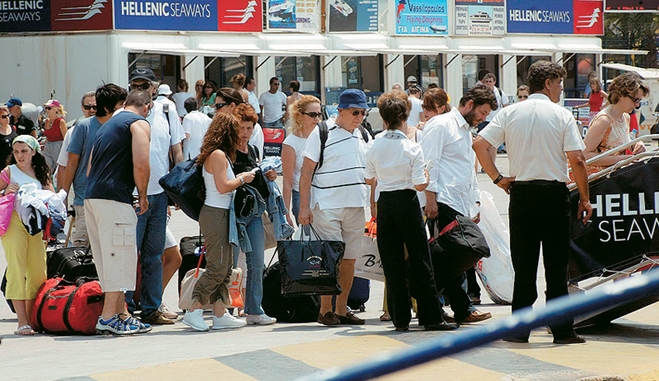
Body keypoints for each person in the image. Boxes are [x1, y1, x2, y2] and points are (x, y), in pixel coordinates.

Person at [473, 60, 592, 344]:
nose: (561, 89)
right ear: (548, 83)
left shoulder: (510, 112)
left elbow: (480, 144)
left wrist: (498, 178)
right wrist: (585, 198)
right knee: (556, 267)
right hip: (553, 195)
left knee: (524, 267)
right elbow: (576, 159)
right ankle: (561, 329)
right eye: (559, 83)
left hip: (522, 194)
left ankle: (519, 330)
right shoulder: (561, 115)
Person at [365, 91, 457, 332]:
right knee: (420, 259)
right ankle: (430, 317)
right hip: (407, 202)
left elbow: (367, 177)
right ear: (405, 116)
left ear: (383, 118)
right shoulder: (412, 147)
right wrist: (426, 175)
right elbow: (419, 184)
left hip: (385, 202)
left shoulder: (374, 143)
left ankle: (399, 318)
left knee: (391, 261)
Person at [421, 84, 495, 325]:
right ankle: (455, 306)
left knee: (456, 257)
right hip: (443, 200)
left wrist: (474, 203)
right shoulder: (441, 125)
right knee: (456, 254)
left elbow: (467, 169)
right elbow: (429, 163)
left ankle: (456, 307)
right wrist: (430, 199)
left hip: (460, 202)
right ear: (470, 104)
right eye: (482, 112)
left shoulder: (465, 129)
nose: (483, 118)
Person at [298, 89, 371, 326]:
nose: (359, 117)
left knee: (350, 259)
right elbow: (306, 172)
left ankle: (342, 309)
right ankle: (325, 310)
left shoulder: (363, 135)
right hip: (327, 205)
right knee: (329, 259)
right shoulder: (322, 132)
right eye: (354, 112)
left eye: (363, 112)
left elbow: (371, 173)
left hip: (356, 204)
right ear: (340, 111)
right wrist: (304, 208)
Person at [85, 90, 152, 335]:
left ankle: (122, 314)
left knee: (107, 260)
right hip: (115, 198)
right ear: (146, 106)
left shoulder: (107, 125)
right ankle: (107, 319)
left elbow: (90, 167)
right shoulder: (139, 123)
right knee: (120, 260)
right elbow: (141, 163)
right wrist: (143, 195)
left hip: (93, 197)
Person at [181, 113, 254, 332]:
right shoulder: (218, 155)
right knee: (217, 267)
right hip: (216, 213)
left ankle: (220, 313)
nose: (241, 135)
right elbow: (223, 187)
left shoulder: (216, 154)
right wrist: (244, 178)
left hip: (221, 213)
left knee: (225, 267)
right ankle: (193, 309)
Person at [126, 68, 184, 326]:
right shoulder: (125, 113)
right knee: (129, 254)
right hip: (133, 194)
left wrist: (179, 189)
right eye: (135, 83)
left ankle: (151, 307)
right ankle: (124, 308)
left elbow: (176, 150)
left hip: (159, 193)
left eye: (145, 84)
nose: (140, 88)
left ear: (154, 87)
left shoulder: (166, 110)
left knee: (153, 255)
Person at [60, 84, 128, 247]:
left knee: (108, 247)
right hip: (84, 198)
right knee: (81, 246)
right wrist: (63, 195)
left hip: (114, 199)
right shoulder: (83, 127)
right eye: (121, 104)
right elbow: (71, 163)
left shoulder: (123, 127)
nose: (125, 108)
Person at [0, 135, 54, 335]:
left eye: (24, 151)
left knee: (38, 269)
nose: (20, 156)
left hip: (36, 224)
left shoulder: (41, 172)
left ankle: (34, 319)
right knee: (16, 267)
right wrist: (5, 192)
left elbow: (52, 196)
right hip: (13, 221)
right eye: (16, 152)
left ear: (33, 151)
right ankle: (22, 322)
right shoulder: (8, 172)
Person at [230, 103, 278, 325]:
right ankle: (228, 307)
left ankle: (254, 310)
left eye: (250, 128)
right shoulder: (227, 150)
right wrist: (242, 176)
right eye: (242, 127)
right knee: (230, 263)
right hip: (232, 212)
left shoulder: (253, 150)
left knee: (257, 262)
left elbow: (257, 182)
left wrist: (267, 176)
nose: (246, 133)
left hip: (254, 212)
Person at [581, 72, 648, 173]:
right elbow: (585, 155)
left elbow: (624, 140)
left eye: (639, 101)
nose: (637, 105)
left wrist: (636, 144)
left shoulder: (625, 117)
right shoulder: (604, 120)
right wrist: (623, 159)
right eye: (635, 100)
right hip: (597, 181)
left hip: (612, 178)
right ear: (621, 95)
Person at [282, 95, 321, 226]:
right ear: (299, 115)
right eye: (312, 114)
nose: (316, 119)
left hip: (323, 194)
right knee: (308, 241)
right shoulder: (291, 143)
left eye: (319, 114)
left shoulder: (324, 137)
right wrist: (286, 213)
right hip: (301, 196)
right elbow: (287, 182)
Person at [42, 99, 68, 175]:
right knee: (46, 168)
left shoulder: (60, 121)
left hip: (58, 145)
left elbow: (65, 137)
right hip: (48, 145)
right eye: (46, 108)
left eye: (49, 108)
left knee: (59, 167)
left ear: (56, 109)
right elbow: (47, 135)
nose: (47, 110)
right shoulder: (47, 121)